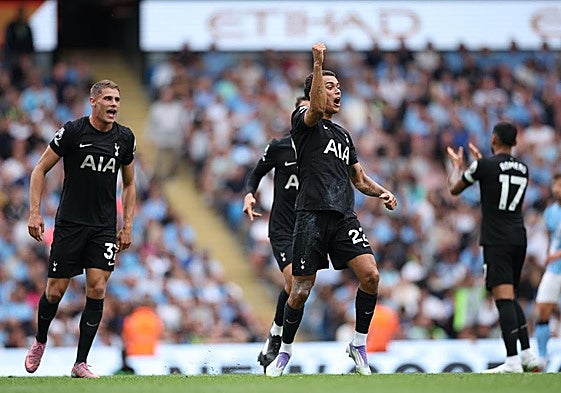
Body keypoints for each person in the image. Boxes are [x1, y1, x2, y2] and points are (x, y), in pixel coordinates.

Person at [266, 42, 397, 377]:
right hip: (310, 216)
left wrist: (382, 192)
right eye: (329, 87)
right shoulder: (303, 122)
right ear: (314, 93)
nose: (337, 93)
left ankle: (358, 343)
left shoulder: (343, 135)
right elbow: (311, 110)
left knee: (371, 275)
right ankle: (285, 351)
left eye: (339, 88)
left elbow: (359, 178)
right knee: (301, 289)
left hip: (342, 217)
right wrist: (318, 62)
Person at [25, 79, 136, 378]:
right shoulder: (73, 132)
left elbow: (128, 183)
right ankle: (40, 340)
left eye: (117, 99)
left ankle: (80, 363)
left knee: (98, 287)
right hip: (70, 224)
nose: (114, 104)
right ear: (94, 102)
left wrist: (127, 225)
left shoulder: (125, 138)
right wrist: (34, 213)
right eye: (108, 99)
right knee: (55, 290)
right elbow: (39, 169)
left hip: (102, 227)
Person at [446, 121, 541, 373]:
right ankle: (528, 354)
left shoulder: (484, 165)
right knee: (510, 296)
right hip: (518, 236)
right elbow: (496, 178)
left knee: (503, 299)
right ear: (515, 142)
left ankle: (512, 360)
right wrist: (480, 166)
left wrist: (458, 167)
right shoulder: (523, 168)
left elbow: (455, 189)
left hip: (496, 238)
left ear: (494, 139)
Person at [242, 96, 308, 372]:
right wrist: (249, 194)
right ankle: (280, 342)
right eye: (304, 108)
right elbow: (256, 173)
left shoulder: (325, 151)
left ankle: (275, 331)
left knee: (297, 290)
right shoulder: (280, 147)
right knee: (295, 283)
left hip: (309, 228)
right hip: (282, 228)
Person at [534, 173, 561, 370]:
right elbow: (551, 236)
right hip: (554, 268)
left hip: (557, 261)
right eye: (555, 185)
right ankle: (542, 358)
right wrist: (549, 254)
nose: (557, 189)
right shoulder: (550, 212)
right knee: (542, 309)